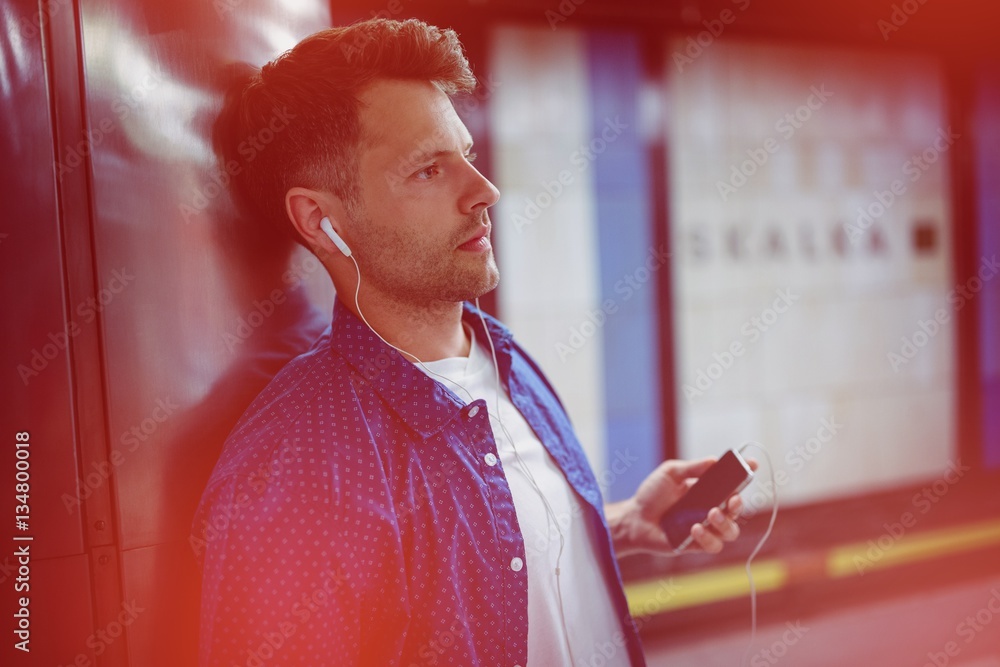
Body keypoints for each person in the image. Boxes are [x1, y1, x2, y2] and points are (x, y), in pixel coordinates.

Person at [193, 17, 747, 667]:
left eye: (468, 156)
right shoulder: (300, 465)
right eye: (428, 170)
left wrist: (619, 524)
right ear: (321, 220)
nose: (484, 192)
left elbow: (492, 562)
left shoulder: (508, 359)